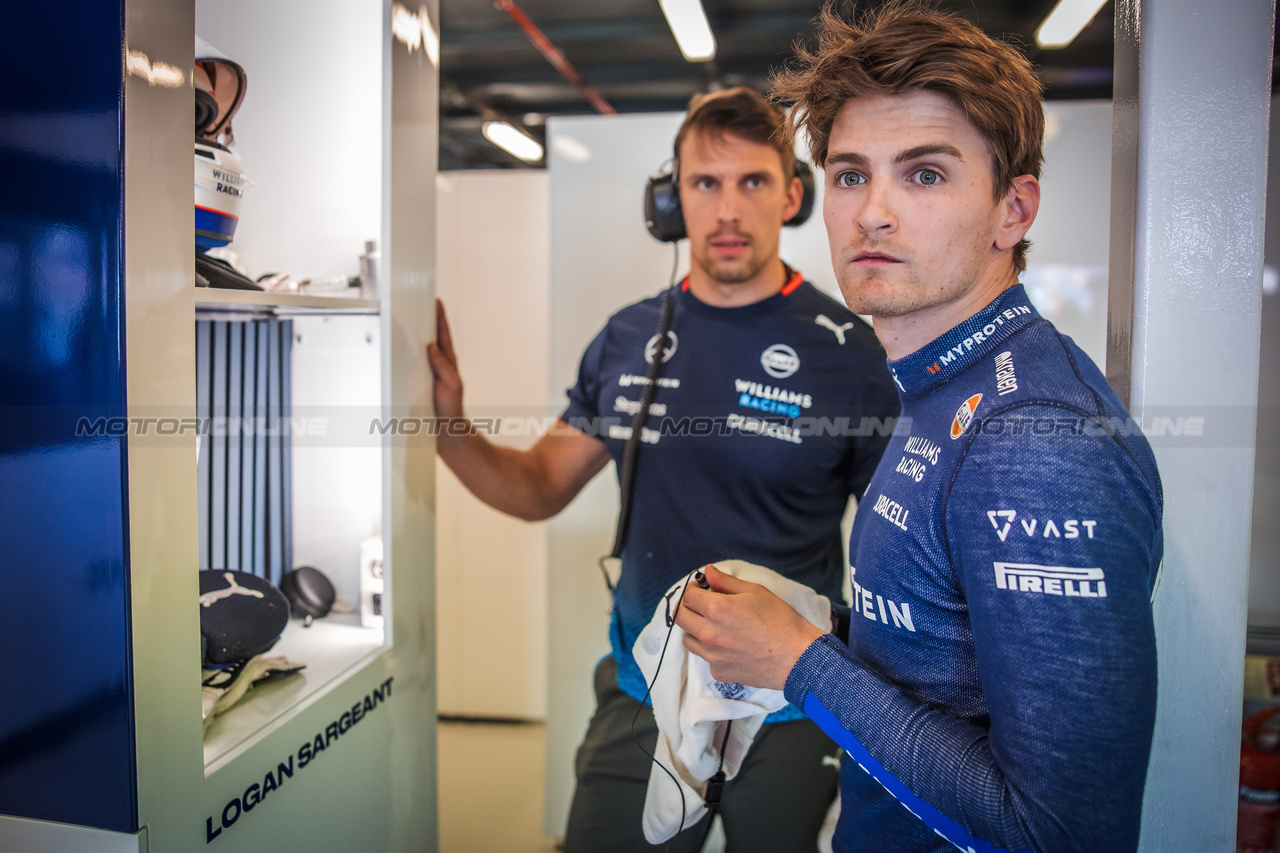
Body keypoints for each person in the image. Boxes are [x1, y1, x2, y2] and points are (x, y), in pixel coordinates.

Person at [674, 6, 1163, 853]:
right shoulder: (941, 387)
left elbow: (1058, 834)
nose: (873, 213)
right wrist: (814, 628)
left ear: (1013, 209)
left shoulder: (1032, 440)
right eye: (852, 174)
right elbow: (945, 664)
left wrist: (801, 661)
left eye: (926, 174)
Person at [427, 86, 900, 851]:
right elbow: (539, 484)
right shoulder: (628, 338)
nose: (727, 209)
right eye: (704, 184)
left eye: (752, 182)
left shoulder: (847, 351)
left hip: (791, 701)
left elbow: (896, 546)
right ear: (671, 200)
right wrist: (449, 427)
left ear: (792, 195)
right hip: (647, 684)